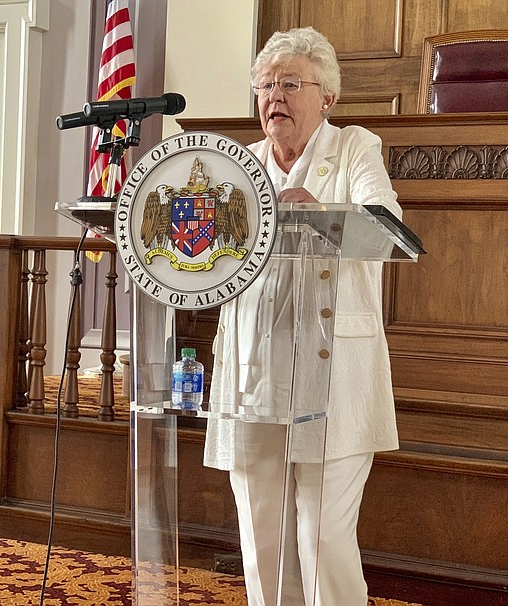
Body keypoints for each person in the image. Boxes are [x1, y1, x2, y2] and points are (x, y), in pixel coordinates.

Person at [204, 27, 403, 605]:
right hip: (253, 369)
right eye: (265, 86)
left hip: (332, 372)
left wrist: (323, 214)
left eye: (290, 84)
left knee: (324, 535)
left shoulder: (356, 150)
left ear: (328, 97)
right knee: (260, 531)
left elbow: (385, 227)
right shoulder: (236, 165)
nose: (274, 97)